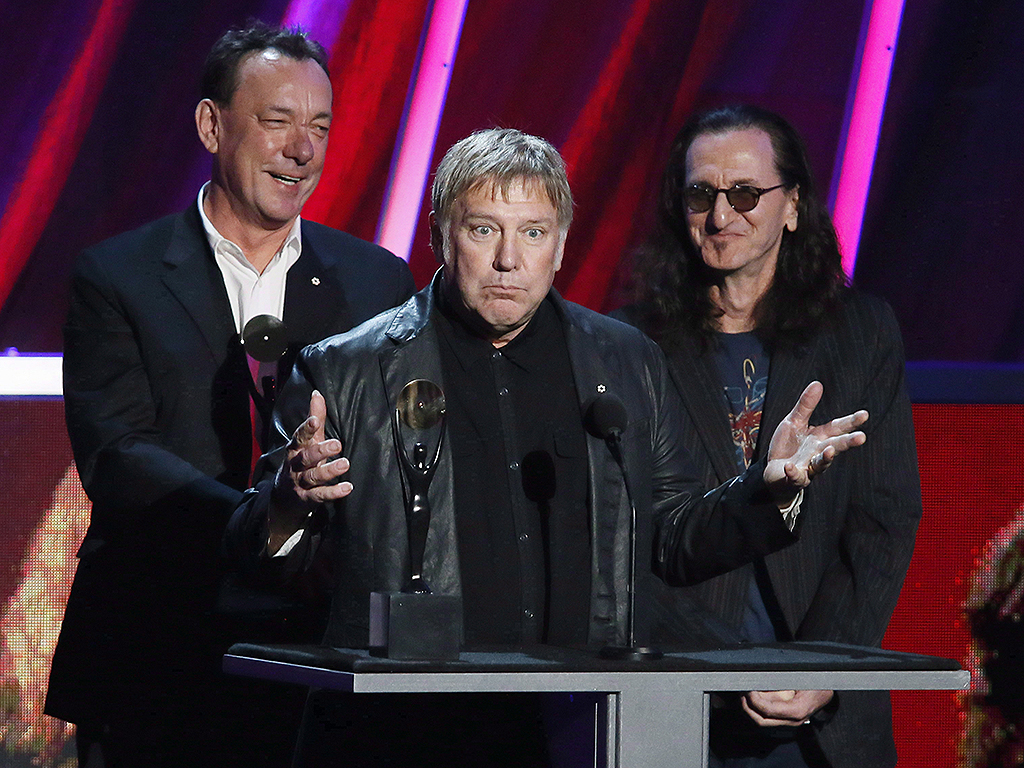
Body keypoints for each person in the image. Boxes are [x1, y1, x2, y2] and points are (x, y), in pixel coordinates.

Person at [227, 127, 869, 767]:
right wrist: (290, 501)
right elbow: (258, 555)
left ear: (560, 246)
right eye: (484, 230)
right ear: (440, 236)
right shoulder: (347, 372)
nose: (509, 259)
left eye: (533, 232)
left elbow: (671, 539)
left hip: (579, 732)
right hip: (407, 730)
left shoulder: (625, 361)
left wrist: (769, 489)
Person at [45, 22, 415, 768]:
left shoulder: (378, 283)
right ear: (212, 125)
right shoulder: (119, 276)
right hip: (157, 646)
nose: (302, 150)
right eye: (277, 122)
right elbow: (117, 457)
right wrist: (266, 513)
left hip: (321, 656)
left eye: (319, 127)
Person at [619, 104, 922, 768]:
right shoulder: (626, 347)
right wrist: (728, 670)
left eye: (746, 193)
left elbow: (883, 520)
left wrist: (822, 666)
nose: (722, 216)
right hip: (683, 702)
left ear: (792, 207)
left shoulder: (861, 334)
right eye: (702, 194)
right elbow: (631, 544)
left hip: (825, 719)